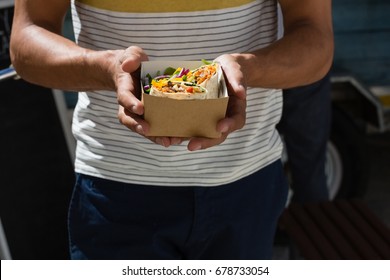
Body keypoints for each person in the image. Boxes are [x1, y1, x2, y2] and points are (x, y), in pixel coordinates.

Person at [10, 0, 333, 259]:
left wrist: (247, 69)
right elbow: (26, 39)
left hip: (245, 182)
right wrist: (107, 68)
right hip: (115, 188)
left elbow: (316, 39)